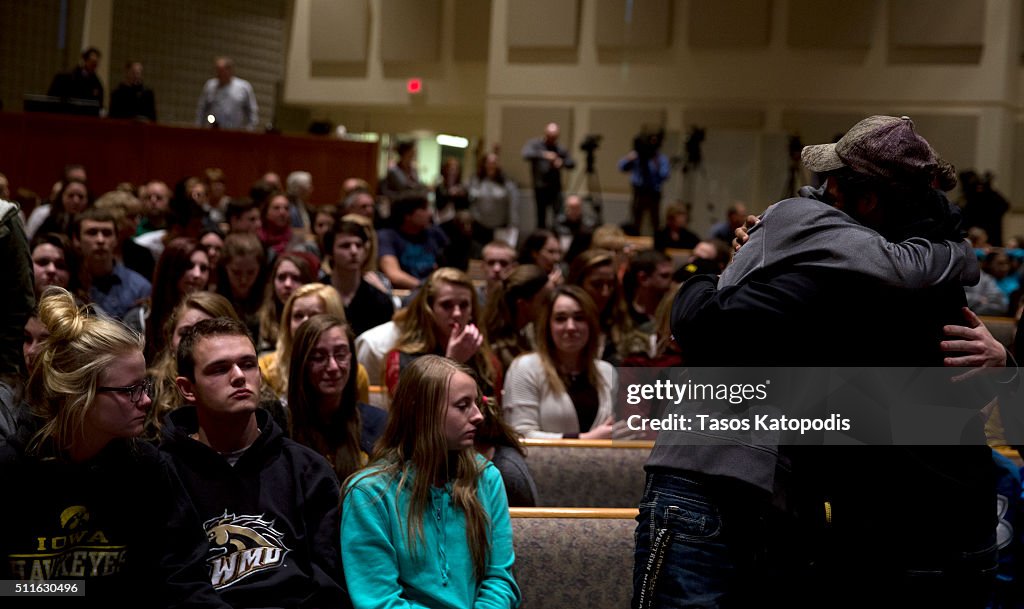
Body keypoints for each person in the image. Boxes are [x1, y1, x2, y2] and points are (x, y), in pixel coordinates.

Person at [636, 115, 1000, 607]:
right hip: (934, 519)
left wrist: (701, 281)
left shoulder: (832, 269)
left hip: (883, 530)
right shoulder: (939, 265)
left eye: (831, 184)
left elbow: (703, 325)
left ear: (868, 200)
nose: (820, 192)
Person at [0, 287, 225, 607]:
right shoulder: (10, 471)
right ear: (80, 396)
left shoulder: (148, 469)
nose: (146, 400)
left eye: (144, 385)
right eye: (130, 390)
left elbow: (183, 577)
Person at [162, 317, 347, 607]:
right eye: (220, 369)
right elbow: (175, 584)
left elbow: (329, 580)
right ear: (187, 388)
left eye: (248, 364)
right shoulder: (163, 473)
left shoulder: (307, 469)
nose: (238, 376)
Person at [340, 355, 521, 609]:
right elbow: (379, 601)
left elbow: (500, 580)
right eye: (463, 405)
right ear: (424, 413)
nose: (479, 416)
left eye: (476, 403)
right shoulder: (368, 495)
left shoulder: (486, 478)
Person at [503, 285, 617, 439]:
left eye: (579, 318)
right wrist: (585, 439)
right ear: (548, 325)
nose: (570, 327)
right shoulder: (525, 368)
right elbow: (520, 435)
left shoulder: (607, 371)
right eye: (560, 319)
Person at [287, 314, 386, 482]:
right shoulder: (283, 427)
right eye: (318, 357)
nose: (333, 367)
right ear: (301, 363)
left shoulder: (379, 423)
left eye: (340, 355)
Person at [385, 268, 500, 402]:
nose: (457, 313)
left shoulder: (487, 361)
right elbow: (410, 414)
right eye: (446, 305)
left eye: (464, 305)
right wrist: (451, 362)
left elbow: (492, 414)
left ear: (472, 311)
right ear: (429, 309)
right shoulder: (401, 360)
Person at [73, 208, 152, 320]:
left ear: (116, 239)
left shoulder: (140, 287)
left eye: (107, 233)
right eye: (92, 233)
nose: (100, 240)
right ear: (76, 240)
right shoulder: (67, 283)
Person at [326, 219, 394, 337]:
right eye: (345, 246)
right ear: (330, 253)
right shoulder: (318, 296)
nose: (354, 251)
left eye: (359, 245)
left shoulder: (380, 300)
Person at [483, 264, 551, 371]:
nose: (552, 306)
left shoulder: (528, 331)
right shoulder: (500, 350)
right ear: (523, 304)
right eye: (545, 301)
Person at [378, 194, 449, 289]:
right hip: (406, 293)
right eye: (424, 209)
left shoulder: (434, 233)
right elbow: (393, 275)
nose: (430, 214)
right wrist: (426, 288)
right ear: (407, 215)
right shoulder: (387, 236)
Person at [257, 253, 315, 353]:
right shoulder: (259, 321)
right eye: (281, 277)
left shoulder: (317, 317)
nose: (287, 284)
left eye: (296, 278)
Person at [522, 122, 575, 229]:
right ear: (545, 134)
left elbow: (572, 163)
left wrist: (561, 162)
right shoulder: (535, 144)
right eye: (550, 136)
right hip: (540, 187)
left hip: (555, 188)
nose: (552, 139)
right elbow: (525, 154)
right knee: (541, 217)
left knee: (558, 217)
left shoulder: (559, 148)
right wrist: (544, 155)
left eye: (554, 137)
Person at [618, 130, 671, 234]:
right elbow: (622, 167)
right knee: (636, 219)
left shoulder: (660, 158)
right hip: (639, 192)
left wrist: (655, 165)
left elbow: (665, 175)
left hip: (653, 193)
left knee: (655, 220)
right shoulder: (638, 156)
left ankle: (657, 240)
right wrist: (629, 158)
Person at [195, 56, 259, 131]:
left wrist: (250, 129)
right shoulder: (210, 86)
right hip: (213, 130)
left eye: (221, 71)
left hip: (235, 132)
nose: (219, 74)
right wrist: (198, 128)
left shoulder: (243, 87)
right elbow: (201, 109)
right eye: (217, 70)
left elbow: (252, 111)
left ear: (229, 70)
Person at [468, 152, 519, 245]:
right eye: (489, 162)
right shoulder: (476, 180)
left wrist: (512, 224)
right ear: (484, 164)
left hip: (500, 227)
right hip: (480, 225)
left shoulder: (506, 182)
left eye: (494, 162)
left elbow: (512, 205)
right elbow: (471, 201)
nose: (492, 165)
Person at [47, 47, 104, 112]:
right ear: (85, 60)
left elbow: (99, 105)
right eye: (92, 62)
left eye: (96, 63)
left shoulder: (97, 84)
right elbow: (52, 99)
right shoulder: (65, 77)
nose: (94, 65)